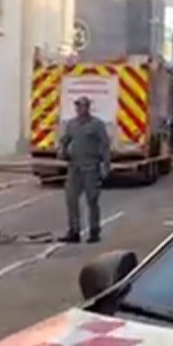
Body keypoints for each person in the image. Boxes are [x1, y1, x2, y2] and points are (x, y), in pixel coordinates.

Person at [59, 95, 110, 243]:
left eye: (82, 106)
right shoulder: (72, 125)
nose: (80, 109)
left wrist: (106, 165)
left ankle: (94, 231)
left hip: (91, 168)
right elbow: (65, 140)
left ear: (87, 108)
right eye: (77, 106)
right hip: (75, 168)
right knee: (71, 199)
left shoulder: (97, 125)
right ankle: (74, 231)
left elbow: (104, 145)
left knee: (92, 199)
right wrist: (62, 150)